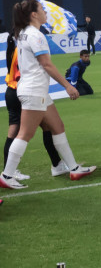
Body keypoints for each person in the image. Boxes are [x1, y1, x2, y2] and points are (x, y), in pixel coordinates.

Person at [0, 0, 95, 189]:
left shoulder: (24, 33)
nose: (45, 12)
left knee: (57, 126)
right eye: (42, 9)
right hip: (34, 91)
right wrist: (68, 86)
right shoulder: (35, 35)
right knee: (25, 133)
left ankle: (73, 168)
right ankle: (7, 175)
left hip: (34, 89)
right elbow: (47, 64)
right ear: (34, 14)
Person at [4, 35, 66, 182]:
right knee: (24, 132)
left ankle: (57, 165)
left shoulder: (12, 49)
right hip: (24, 92)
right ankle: (9, 172)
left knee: (43, 127)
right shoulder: (23, 50)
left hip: (12, 91)